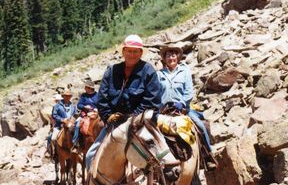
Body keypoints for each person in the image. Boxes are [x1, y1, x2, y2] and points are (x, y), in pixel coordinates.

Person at [85, 34, 161, 172]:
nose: (132, 54)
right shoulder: (111, 71)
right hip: (115, 123)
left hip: (140, 123)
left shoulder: (148, 71)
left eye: (136, 51)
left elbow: (152, 100)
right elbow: (102, 98)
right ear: (123, 51)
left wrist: (133, 118)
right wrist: (107, 116)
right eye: (129, 51)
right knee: (90, 155)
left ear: (141, 53)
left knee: (159, 156)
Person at [157, 44, 215, 168]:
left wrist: (182, 103)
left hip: (182, 108)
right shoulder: (159, 75)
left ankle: (208, 155)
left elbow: (189, 91)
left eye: (173, 55)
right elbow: (157, 93)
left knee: (199, 125)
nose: (171, 58)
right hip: (164, 109)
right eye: (168, 55)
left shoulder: (184, 71)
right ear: (164, 58)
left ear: (177, 57)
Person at [72, 79, 99, 149]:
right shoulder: (83, 96)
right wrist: (84, 106)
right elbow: (79, 105)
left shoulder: (97, 95)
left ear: (90, 88)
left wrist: (97, 109)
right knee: (77, 125)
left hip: (96, 114)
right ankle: (76, 142)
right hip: (85, 114)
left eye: (86, 87)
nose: (85, 88)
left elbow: (101, 104)